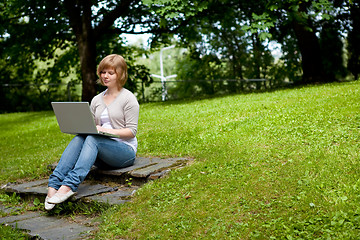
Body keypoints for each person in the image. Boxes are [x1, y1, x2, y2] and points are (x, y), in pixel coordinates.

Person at [45, 54, 139, 210]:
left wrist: (105, 130)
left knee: (93, 139)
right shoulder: (96, 99)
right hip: (101, 153)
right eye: (103, 72)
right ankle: (54, 185)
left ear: (120, 74)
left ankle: (69, 186)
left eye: (110, 72)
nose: (105, 76)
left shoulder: (128, 98)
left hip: (124, 152)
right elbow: (92, 129)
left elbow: (132, 132)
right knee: (81, 137)